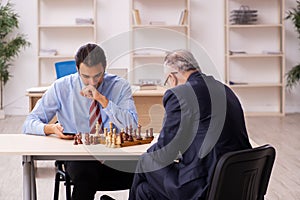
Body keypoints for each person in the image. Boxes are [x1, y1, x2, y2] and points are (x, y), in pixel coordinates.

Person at [128, 49, 252, 200]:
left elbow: (164, 151)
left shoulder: (179, 94)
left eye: (167, 82)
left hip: (204, 185)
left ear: (171, 77)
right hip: (237, 180)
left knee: (145, 161)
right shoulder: (224, 88)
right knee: (144, 191)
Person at [23, 43, 138, 200]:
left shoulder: (119, 86)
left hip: (114, 155)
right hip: (79, 157)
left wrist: (103, 100)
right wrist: (50, 128)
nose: (92, 82)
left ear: (105, 68)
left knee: (149, 173)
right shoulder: (61, 87)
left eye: (98, 75)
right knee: (86, 175)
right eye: (86, 76)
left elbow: (132, 125)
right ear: (77, 69)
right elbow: (29, 122)